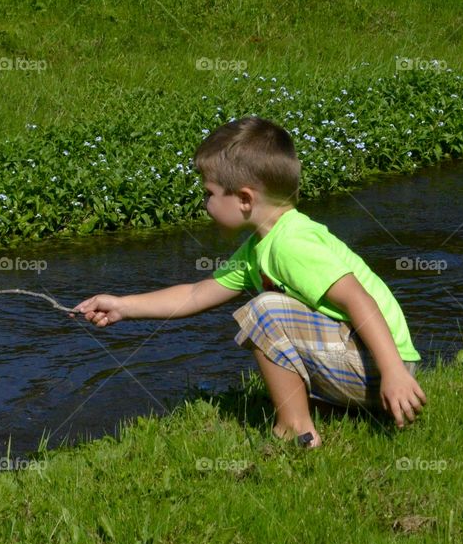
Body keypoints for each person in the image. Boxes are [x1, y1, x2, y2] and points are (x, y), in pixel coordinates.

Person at [73, 116, 426, 448]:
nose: (205, 203)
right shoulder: (260, 247)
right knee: (270, 311)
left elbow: (357, 299)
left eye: (209, 193)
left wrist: (394, 373)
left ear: (244, 199)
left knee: (264, 311)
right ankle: (331, 408)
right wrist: (123, 306)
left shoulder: (291, 243)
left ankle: (296, 431)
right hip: (367, 365)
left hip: (382, 370)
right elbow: (198, 293)